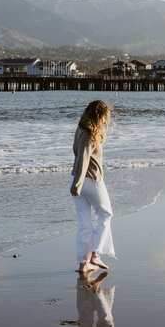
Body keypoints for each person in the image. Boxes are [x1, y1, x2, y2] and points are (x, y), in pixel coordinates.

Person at [70, 99, 115, 275]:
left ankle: (84, 263)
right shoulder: (90, 133)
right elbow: (83, 159)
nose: (106, 120)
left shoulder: (81, 128)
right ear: (100, 114)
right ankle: (95, 255)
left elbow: (79, 157)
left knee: (84, 223)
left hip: (76, 179)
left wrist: (76, 182)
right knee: (105, 214)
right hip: (89, 180)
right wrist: (78, 184)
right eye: (105, 116)